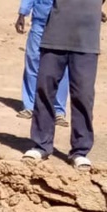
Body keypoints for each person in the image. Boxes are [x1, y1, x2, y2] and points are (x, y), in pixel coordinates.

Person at [23, 0, 105, 170]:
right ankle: (41, 145)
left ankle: (80, 151)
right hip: (54, 36)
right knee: (44, 89)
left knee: (83, 95)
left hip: (87, 41)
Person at [16, 0, 70, 126]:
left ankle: (58, 111)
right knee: (32, 63)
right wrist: (22, 13)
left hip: (64, 26)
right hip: (39, 23)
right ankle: (30, 106)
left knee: (62, 67)